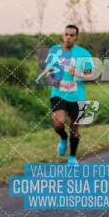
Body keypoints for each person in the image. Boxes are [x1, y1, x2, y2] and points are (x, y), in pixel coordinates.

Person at [44, 25, 94, 165]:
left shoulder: (83, 54)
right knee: (58, 124)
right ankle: (63, 138)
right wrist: (52, 80)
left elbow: (91, 75)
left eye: (72, 35)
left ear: (76, 37)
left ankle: (72, 157)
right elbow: (48, 70)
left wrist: (78, 74)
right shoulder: (54, 51)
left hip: (77, 96)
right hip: (58, 93)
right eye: (66, 34)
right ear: (63, 35)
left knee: (74, 128)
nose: (68, 37)